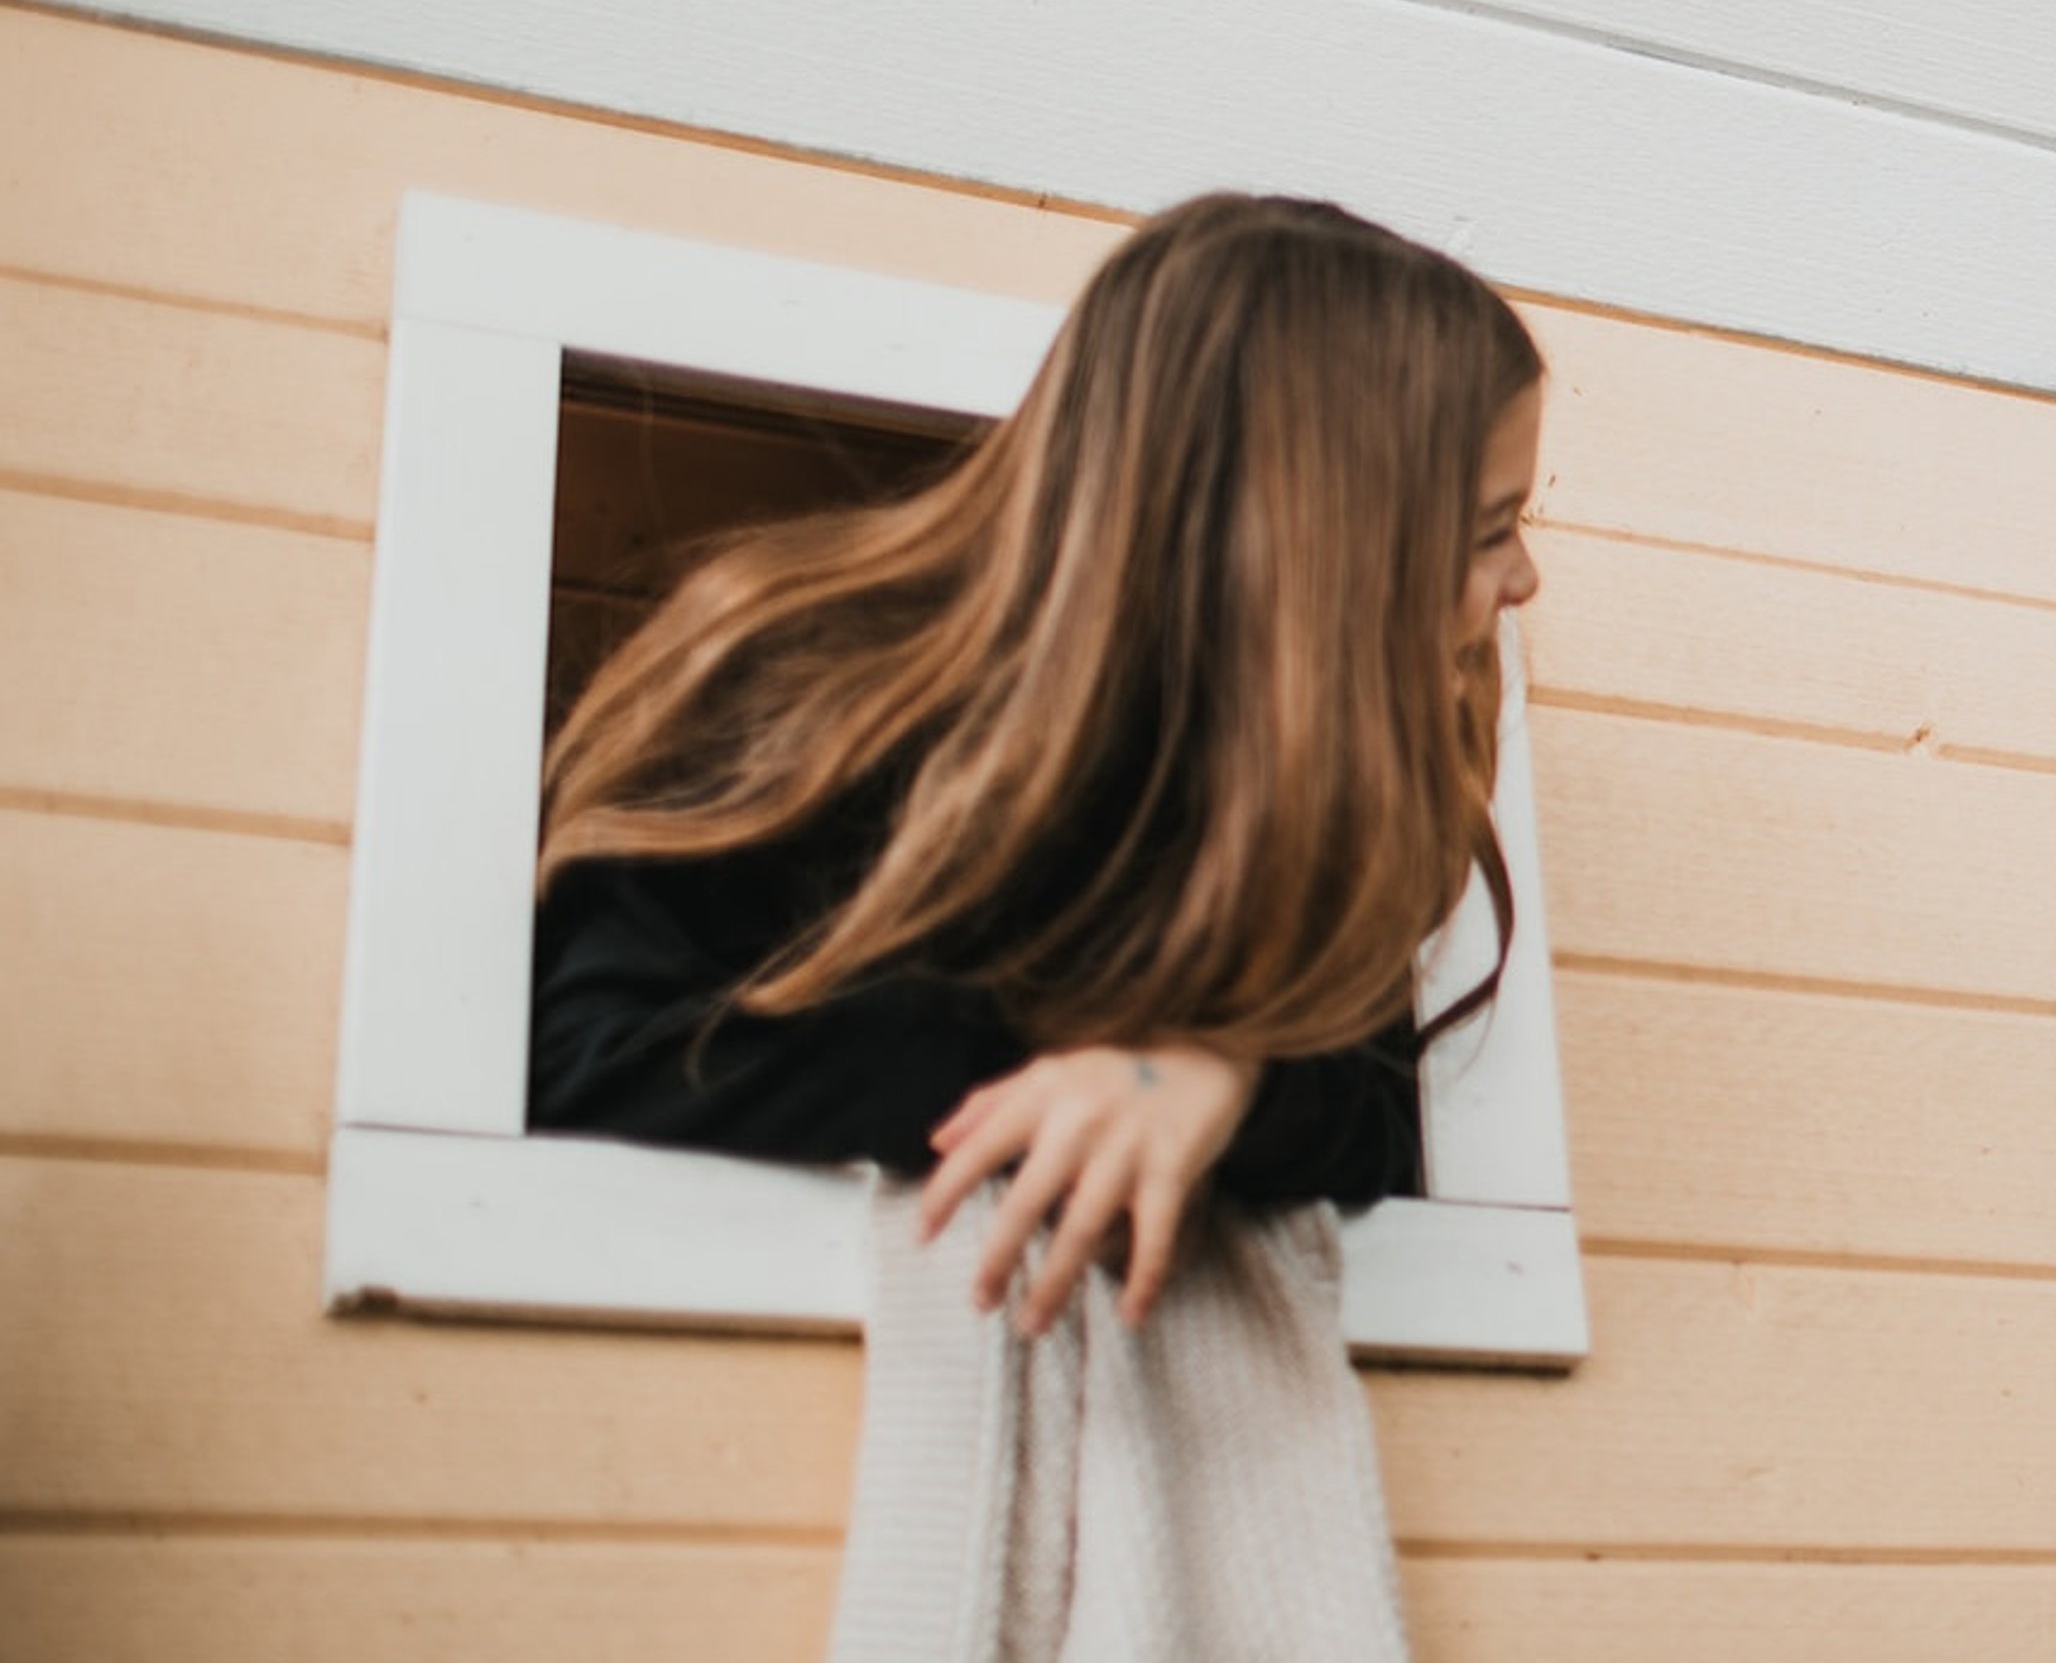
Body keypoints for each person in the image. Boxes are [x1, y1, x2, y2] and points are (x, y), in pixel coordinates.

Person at [525, 191, 1546, 1336]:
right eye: (1486, 530)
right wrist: (1085, 1069)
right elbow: (591, 1061)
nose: (1523, 582)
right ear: (1309, 549)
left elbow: (1366, 1124)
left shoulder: (1297, 791)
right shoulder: (796, 677)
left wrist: (1218, 1076)